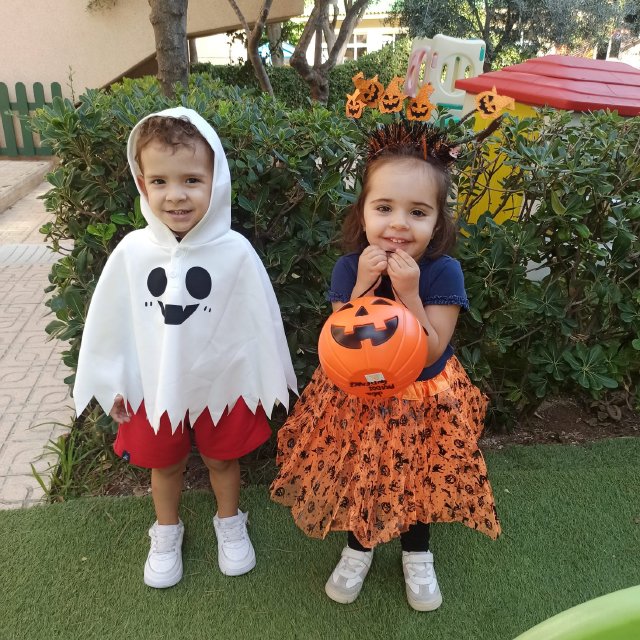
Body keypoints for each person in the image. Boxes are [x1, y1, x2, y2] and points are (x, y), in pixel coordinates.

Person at [270, 121, 500, 611]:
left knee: (418, 475)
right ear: (364, 212)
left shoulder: (442, 272)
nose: (399, 224)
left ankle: (417, 553)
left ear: (437, 222)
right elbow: (343, 338)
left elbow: (431, 350)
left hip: (422, 400)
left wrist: (410, 294)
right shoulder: (350, 267)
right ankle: (359, 547)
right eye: (384, 208)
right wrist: (361, 288)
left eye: (417, 212)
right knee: (363, 471)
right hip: (359, 397)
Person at [73, 107, 297, 588]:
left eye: (192, 179)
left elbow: (255, 323)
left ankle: (229, 521)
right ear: (142, 183)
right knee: (165, 462)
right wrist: (114, 382)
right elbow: (113, 325)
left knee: (222, 459)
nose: (176, 194)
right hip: (155, 384)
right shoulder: (133, 253)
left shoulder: (235, 252)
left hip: (221, 382)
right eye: (160, 181)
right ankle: (166, 529)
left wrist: (259, 376)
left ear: (216, 181)